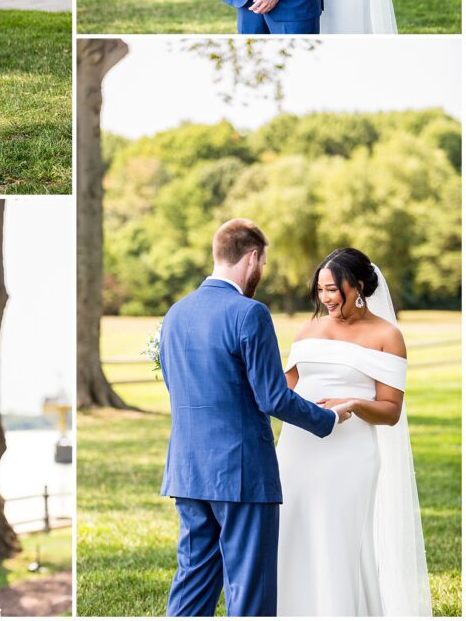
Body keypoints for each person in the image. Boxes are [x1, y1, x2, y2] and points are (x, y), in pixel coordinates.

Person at [159, 219, 350, 617]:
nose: (262, 270)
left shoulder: (176, 314)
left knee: (192, 585)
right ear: (252, 257)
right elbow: (273, 397)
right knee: (250, 591)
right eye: (263, 261)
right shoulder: (250, 313)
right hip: (243, 474)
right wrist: (327, 419)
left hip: (188, 471)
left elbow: (180, 387)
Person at [276, 248, 430, 615]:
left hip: (350, 455)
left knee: (338, 539)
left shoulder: (386, 335)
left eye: (333, 289)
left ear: (358, 286)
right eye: (320, 290)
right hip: (298, 450)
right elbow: (283, 388)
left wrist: (353, 404)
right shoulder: (308, 328)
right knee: (291, 531)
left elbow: (390, 411)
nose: (325, 298)